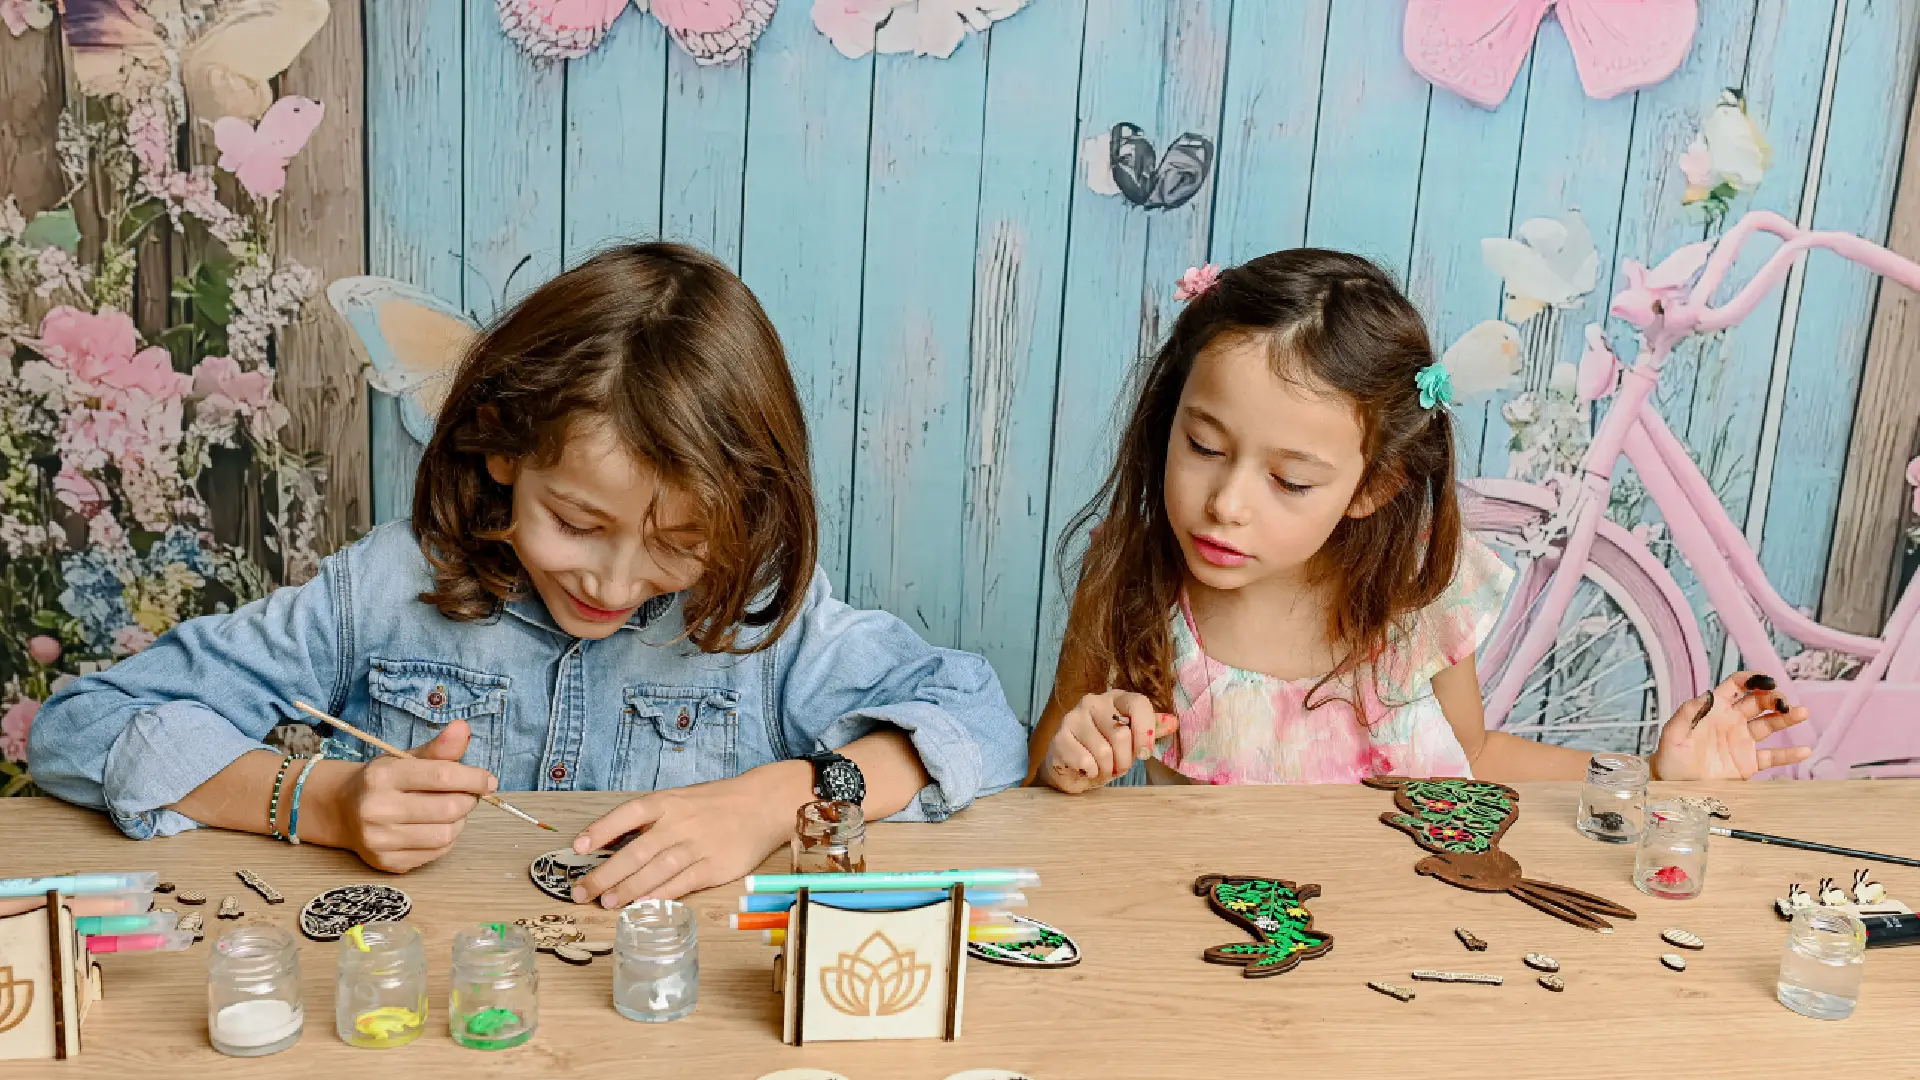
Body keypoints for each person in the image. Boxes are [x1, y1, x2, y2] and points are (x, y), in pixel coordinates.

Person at [30, 242, 1027, 903]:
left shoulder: (763, 622)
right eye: (577, 521)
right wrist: (317, 800)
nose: (615, 580)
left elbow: (979, 720)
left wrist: (786, 797)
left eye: (679, 540)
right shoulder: (383, 591)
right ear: (501, 447)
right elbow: (81, 727)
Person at [1031, 250, 1809, 791]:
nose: (1227, 503)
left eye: (1291, 481)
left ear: (1373, 486)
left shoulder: (1414, 598)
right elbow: (1036, 786)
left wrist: (1652, 778)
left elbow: (1475, 753)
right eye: (1203, 445)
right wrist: (1073, 761)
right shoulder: (1132, 578)